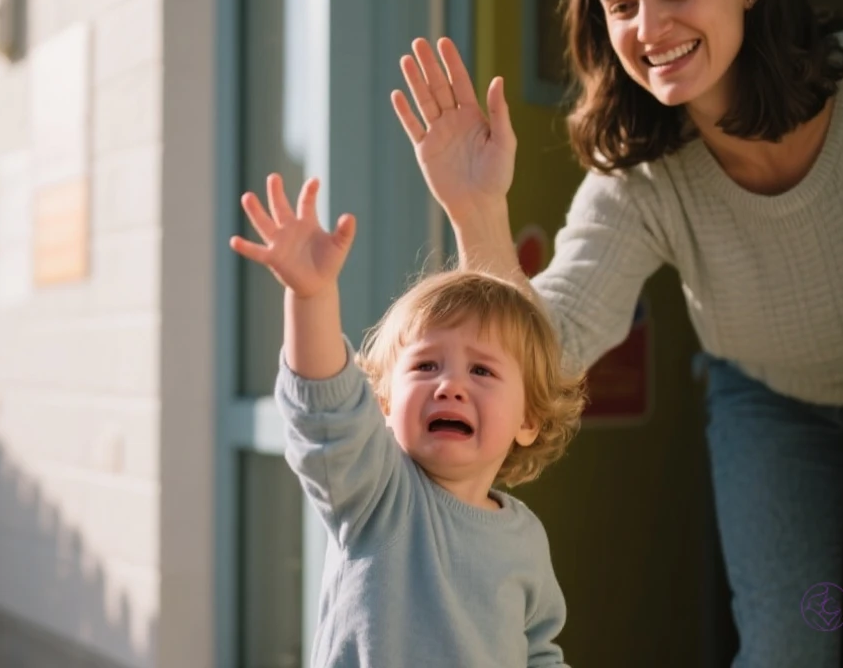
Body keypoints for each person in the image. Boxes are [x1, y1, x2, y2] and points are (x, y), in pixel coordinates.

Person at [390, 0, 843, 665]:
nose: (650, 26)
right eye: (623, 5)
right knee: (787, 643)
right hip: (769, 398)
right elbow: (549, 345)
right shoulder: (640, 169)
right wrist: (477, 209)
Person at [229, 173, 585, 667]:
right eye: (425, 366)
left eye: (481, 369)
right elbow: (326, 416)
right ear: (385, 402)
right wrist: (311, 298)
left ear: (529, 418)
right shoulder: (375, 493)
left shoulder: (524, 537)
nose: (449, 385)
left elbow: (540, 652)